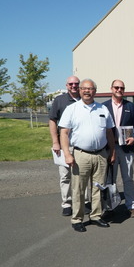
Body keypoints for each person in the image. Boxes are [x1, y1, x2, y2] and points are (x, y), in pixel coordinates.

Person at [59, 79, 116, 232]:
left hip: (101, 155)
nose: (86, 91)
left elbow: (109, 132)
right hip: (80, 155)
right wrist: (67, 154)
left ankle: (96, 215)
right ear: (80, 90)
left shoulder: (102, 108)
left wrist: (112, 152)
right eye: (84, 88)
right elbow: (64, 133)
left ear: (95, 91)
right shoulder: (72, 109)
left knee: (98, 187)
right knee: (78, 188)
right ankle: (77, 219)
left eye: (90, 89)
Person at [103, 80, 134, 218]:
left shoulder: (130, 106)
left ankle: (131, 205)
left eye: (122, 88)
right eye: (116, 87)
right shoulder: (103, 107)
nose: (119, 89)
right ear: (111, 89)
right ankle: (109, 207)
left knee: (128, 178)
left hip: (126, 148)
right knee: (110, 179)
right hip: (110, 148)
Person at [49, 75, 87, 216]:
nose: (74, 86)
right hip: (65, 145)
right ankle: (66, 203)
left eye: (76, 84)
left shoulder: (85, 100)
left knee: (83, 175)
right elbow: (52, 121)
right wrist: (55, 142)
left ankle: (85, 202)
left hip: (82, 146)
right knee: (65, 176)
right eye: (71, 84)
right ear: (66, 85)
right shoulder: (60, 101)